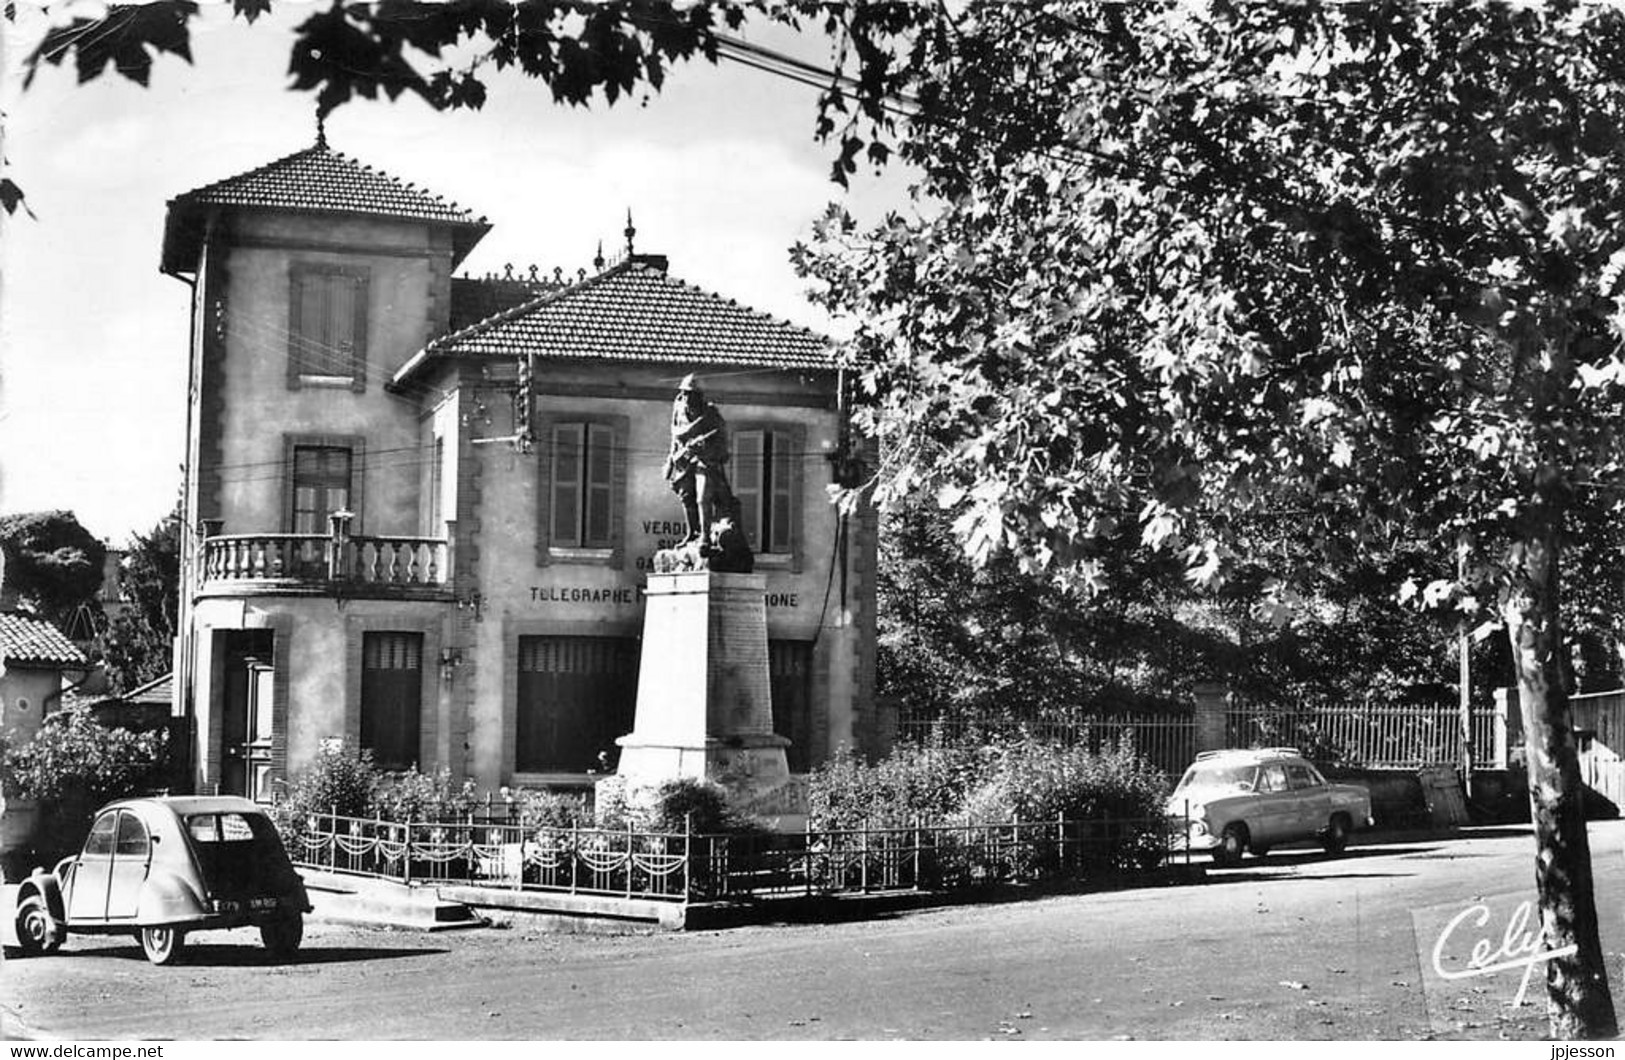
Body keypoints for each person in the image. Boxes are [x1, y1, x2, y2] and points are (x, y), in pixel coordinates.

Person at [662, 374, 734, 548]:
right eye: (685, 393)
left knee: (703, 498)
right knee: (686, 496)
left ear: (699, 396)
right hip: (684, 459)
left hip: (705, 461)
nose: (687, 397)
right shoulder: (679, 407)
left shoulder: (710, 413)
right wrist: (670, 461)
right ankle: (692, 533)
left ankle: (705, 538)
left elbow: (722, 439)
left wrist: (705, 446)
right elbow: (675, 435)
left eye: (691, 394)